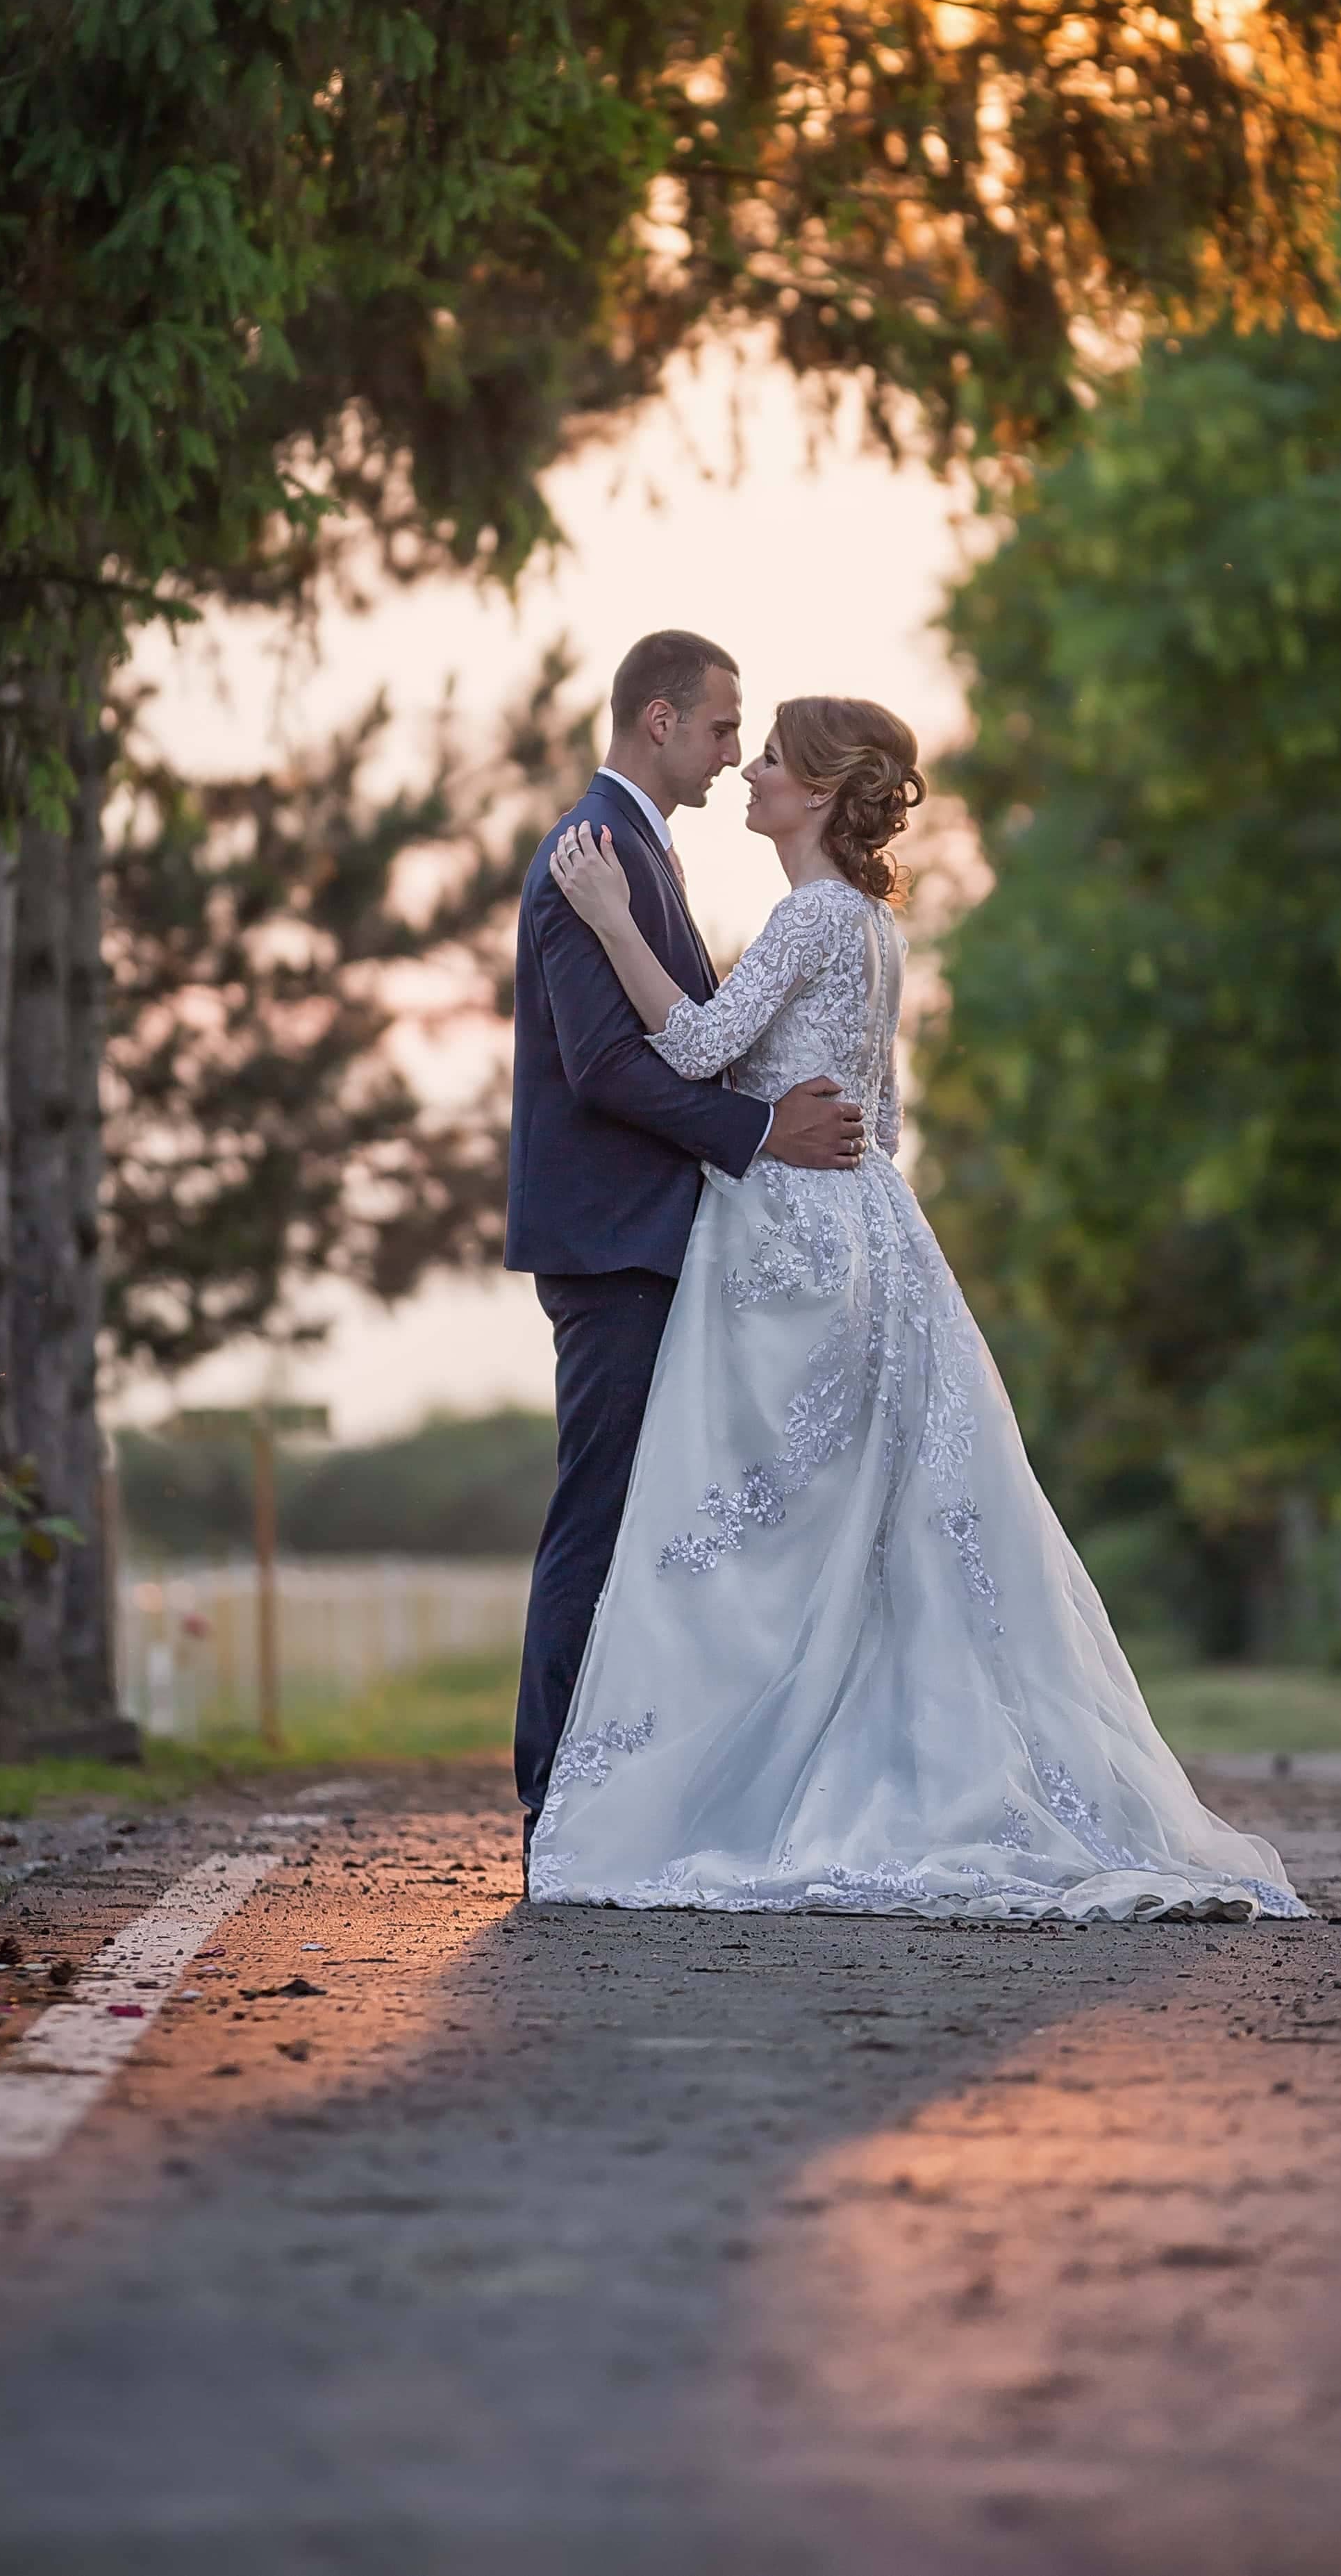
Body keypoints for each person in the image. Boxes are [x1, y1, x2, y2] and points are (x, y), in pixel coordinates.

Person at [528, 688, 1304, 1924]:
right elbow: (879, 1125)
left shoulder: (809, 916)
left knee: (768, 1538)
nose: (752, 772)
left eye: (771, 757)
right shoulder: (876, 930)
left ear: (824, 792)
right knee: (865, 1534)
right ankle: (828, 1767)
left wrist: (618, 925)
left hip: (785, 1240)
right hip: (876, 1233)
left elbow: (688, 1052)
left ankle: (742, 1789)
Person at [506, 631, 867, 1858]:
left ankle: (659, 1796)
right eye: (722, 728)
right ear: (657, 720)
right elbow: (606, 1065)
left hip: (677, 1241)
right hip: (616, 1242)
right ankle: (556, 1805)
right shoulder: (588, 852)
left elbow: (688, 1031)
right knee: (600, 1517)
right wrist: (761, 1133)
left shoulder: (647, 854)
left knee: (665, 1525)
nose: (731, 755)